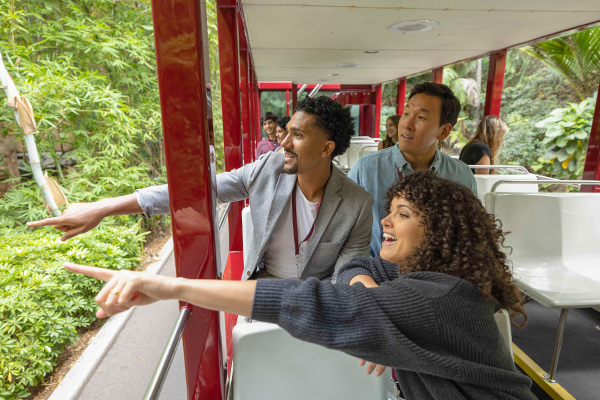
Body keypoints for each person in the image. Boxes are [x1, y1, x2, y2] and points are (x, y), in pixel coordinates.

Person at [65, 172, 536, 400]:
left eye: (404, 215)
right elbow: (355, 267)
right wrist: (372, 299)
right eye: (389, 210)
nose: (386, 221)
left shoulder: (435, 297)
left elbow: (311, 301)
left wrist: (171, 288)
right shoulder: (432, 277)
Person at [28, 97, 373, 281]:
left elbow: (346, 274)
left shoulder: (356, 203)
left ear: (327, 149)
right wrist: (104, 207)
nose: (282, 142)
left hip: (319, 302)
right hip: (262, 291)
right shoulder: (268, 170)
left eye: (297, 136)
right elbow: (201, 191)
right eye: (287, 131)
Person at [349, 82, 477, 257]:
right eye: (406, 113)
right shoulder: (367, 169)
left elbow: (467, 237)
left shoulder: (461, 177)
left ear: (444, 131)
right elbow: (345, 234)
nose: (406, 124)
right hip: (377, 275)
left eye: (421, 118)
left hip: (436, 276)